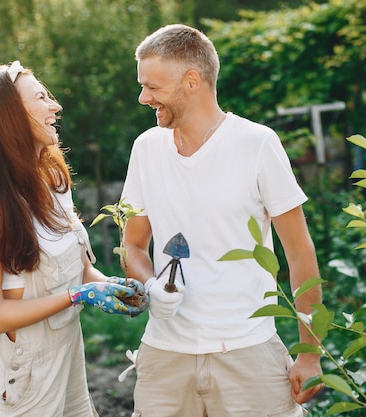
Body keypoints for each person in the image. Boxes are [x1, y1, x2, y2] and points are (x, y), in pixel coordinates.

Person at [119, 24, 324, 417]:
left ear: (192, 81)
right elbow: (132, 245)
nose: (143, 97)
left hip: (249, 352)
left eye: (153, 87)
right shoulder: (145, 149)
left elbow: (299, 253)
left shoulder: (257, 143)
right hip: (165, 358)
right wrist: (151, 285)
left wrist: (309, 354)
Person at [0, 61, 147, 417]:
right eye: (41, 97)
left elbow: (80, 269)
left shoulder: (54, 182)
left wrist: (113, 287)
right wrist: (77, 296)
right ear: (10, 117)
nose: (55, 106)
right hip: (20, 383)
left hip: (70, 366)